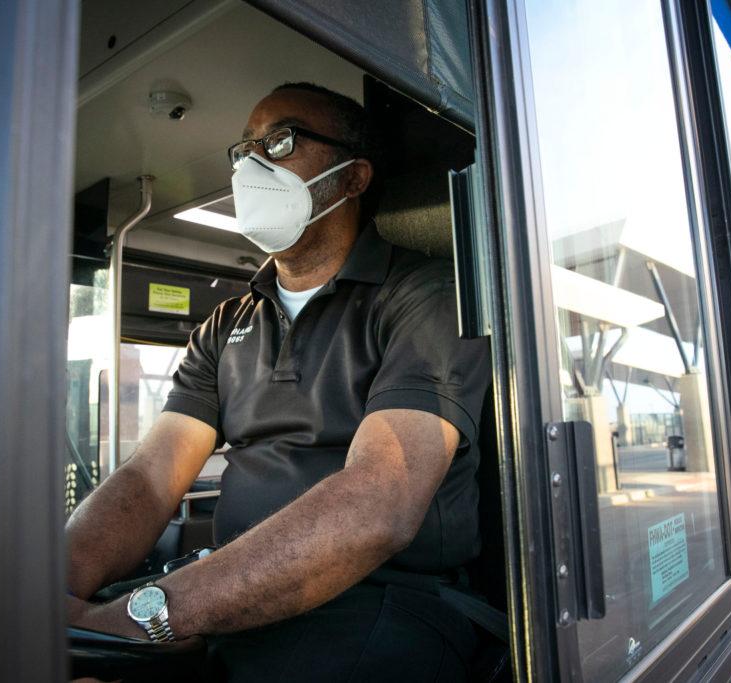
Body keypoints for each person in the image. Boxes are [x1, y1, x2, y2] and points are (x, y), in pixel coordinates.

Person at [66, 82, 491, 681]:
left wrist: (152, 615)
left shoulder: (423, 298)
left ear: (353, 178)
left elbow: (380, 503)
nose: (252, 164)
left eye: (281, 140)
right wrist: (50, 593)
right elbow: (152, 475)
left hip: (380, 601)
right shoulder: (225, 325)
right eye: (245, 150)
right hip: (234, 595)